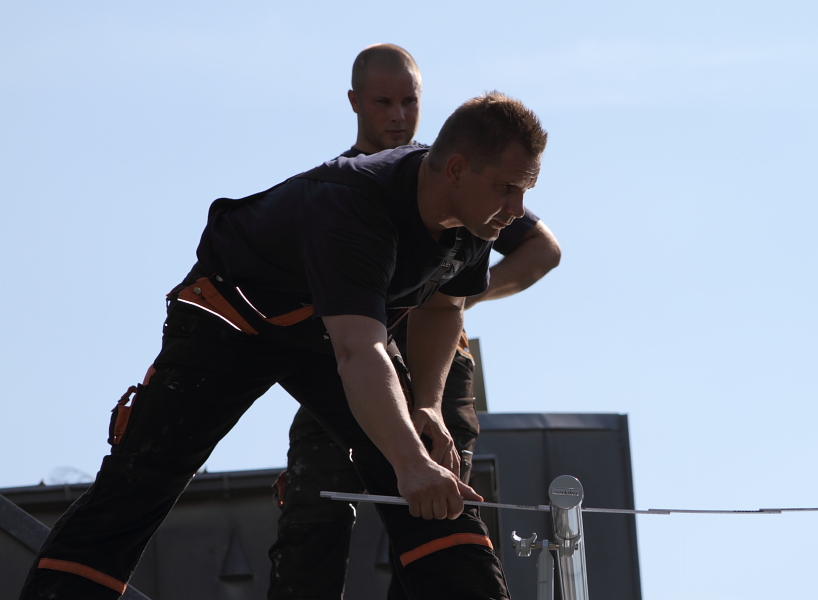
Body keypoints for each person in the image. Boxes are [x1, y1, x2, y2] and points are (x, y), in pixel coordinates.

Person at [19, 89, 548, 600]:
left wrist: (427, 407)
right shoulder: (355, 206)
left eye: (525, 191)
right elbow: (358, 352)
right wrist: (409, 461)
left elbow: (442, 306)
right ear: (456, 169)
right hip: (232, 319)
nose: (517, 207)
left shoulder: (477, 220)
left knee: (430, 477)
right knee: (142, 481)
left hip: (328, 330)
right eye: (508, 188)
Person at [268, 44, 562, 600]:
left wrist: (451, 296)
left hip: (434, 368)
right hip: (346, 364)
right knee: (315, 512)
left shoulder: (465, 185)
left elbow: (543, 250)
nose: (399, 116)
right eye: (383, 102)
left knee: (435, 512)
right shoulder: (338, 190)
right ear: (355, 102)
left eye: (410, 101)